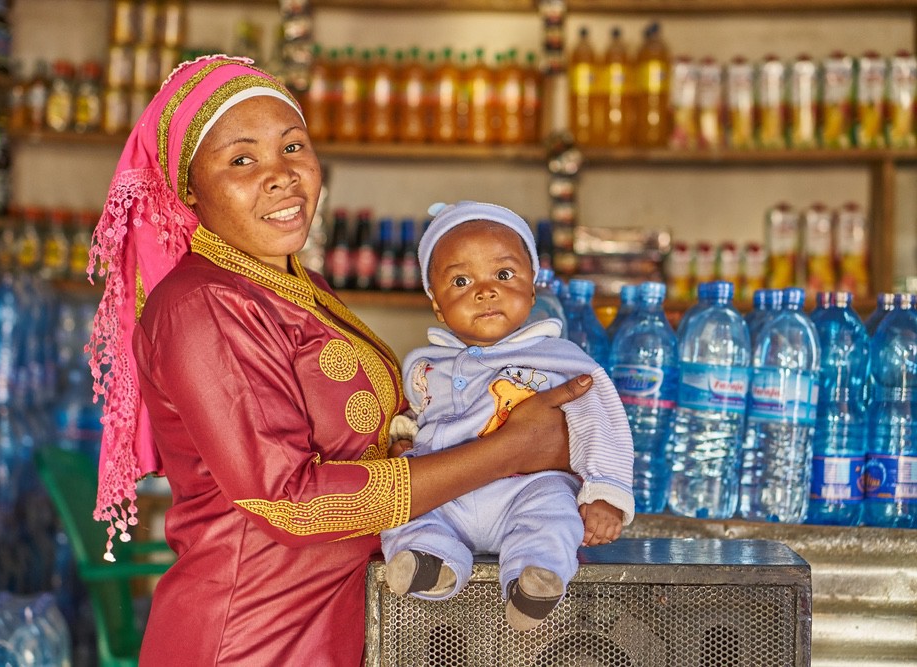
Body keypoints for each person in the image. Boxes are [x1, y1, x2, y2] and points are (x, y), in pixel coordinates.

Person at [84, 55, 595, 666]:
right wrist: (511, 449)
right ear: (188, 187)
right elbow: (290, 501)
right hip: (250, 638)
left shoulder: (300, 286)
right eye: (241, 160)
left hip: (324, 626)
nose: (280, 176)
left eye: (293, 147)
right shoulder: (202, 305)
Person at [380, 201, 635, 631]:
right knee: (400, 504)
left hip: (526, 490)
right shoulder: (425, 365)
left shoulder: (561, 359)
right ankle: (433, 560)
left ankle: (534, 581)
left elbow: (602, 422)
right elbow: (415, 411)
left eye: (503, 274)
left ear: (533, 289)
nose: (485, 291)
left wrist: (606, 493)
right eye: (461, 281)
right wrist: (404, 438)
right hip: (449, 492)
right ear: (438, 307)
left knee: (555, 511)